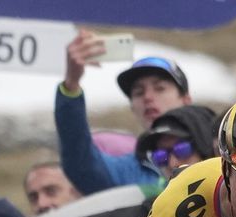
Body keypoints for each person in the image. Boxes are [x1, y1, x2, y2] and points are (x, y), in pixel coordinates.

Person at [0, 105, 217, 217]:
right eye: (160, 156)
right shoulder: (170, 206)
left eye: (182, 150)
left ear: (211, 148)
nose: (172, 162)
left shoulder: (233, 191)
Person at [56, 34, 192, 194]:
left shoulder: (215, 147)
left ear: (186, 100)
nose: (148, 97)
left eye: (160, 88)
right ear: (133, 108)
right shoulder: (127, 171)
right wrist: (71, 85)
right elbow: (81, 165)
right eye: (139, 92)